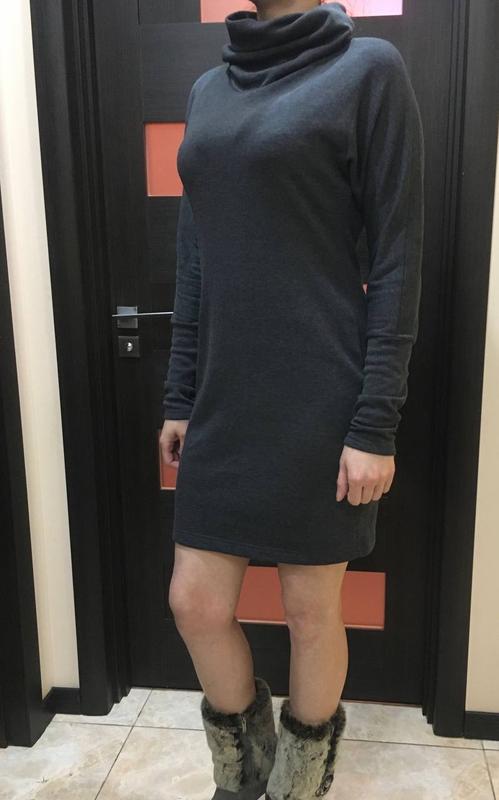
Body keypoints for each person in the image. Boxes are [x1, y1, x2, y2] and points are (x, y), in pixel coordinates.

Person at [159, 1, 425, 798]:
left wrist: (374, 422)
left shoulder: (367, 70)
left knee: (310, 613)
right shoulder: (208, 90)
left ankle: (299, 784)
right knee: (195, 603)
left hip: (320, 395)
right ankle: (243, 773)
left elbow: (398, 257)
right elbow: (194, 254)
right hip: (224, 400)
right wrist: (179, 392)